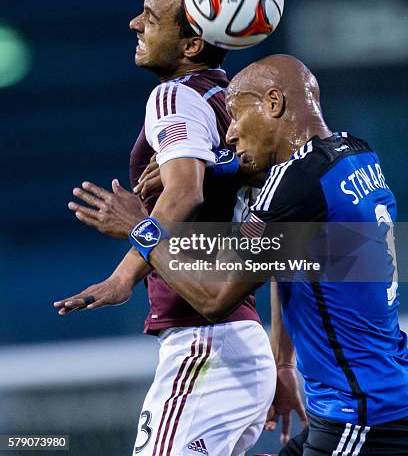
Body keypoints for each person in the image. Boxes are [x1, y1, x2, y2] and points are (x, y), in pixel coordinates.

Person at [71, 55, 408, 455]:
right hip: (372, 397)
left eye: (236, 115)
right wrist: (202, 164)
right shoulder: (355, 154)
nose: (229, 134)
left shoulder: (296, 186)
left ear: (273, 103)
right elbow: (288, 258)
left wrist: (140, 229)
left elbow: (216, 296)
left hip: (361, 418)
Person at [54, 0, 277, 456]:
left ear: (191, 45)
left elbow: (184, 193)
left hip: (206, 345)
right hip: (240, 342)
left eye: (152, 19)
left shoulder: (173, 94)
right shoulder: (232, 102)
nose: (135, 23)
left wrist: (123, 275)